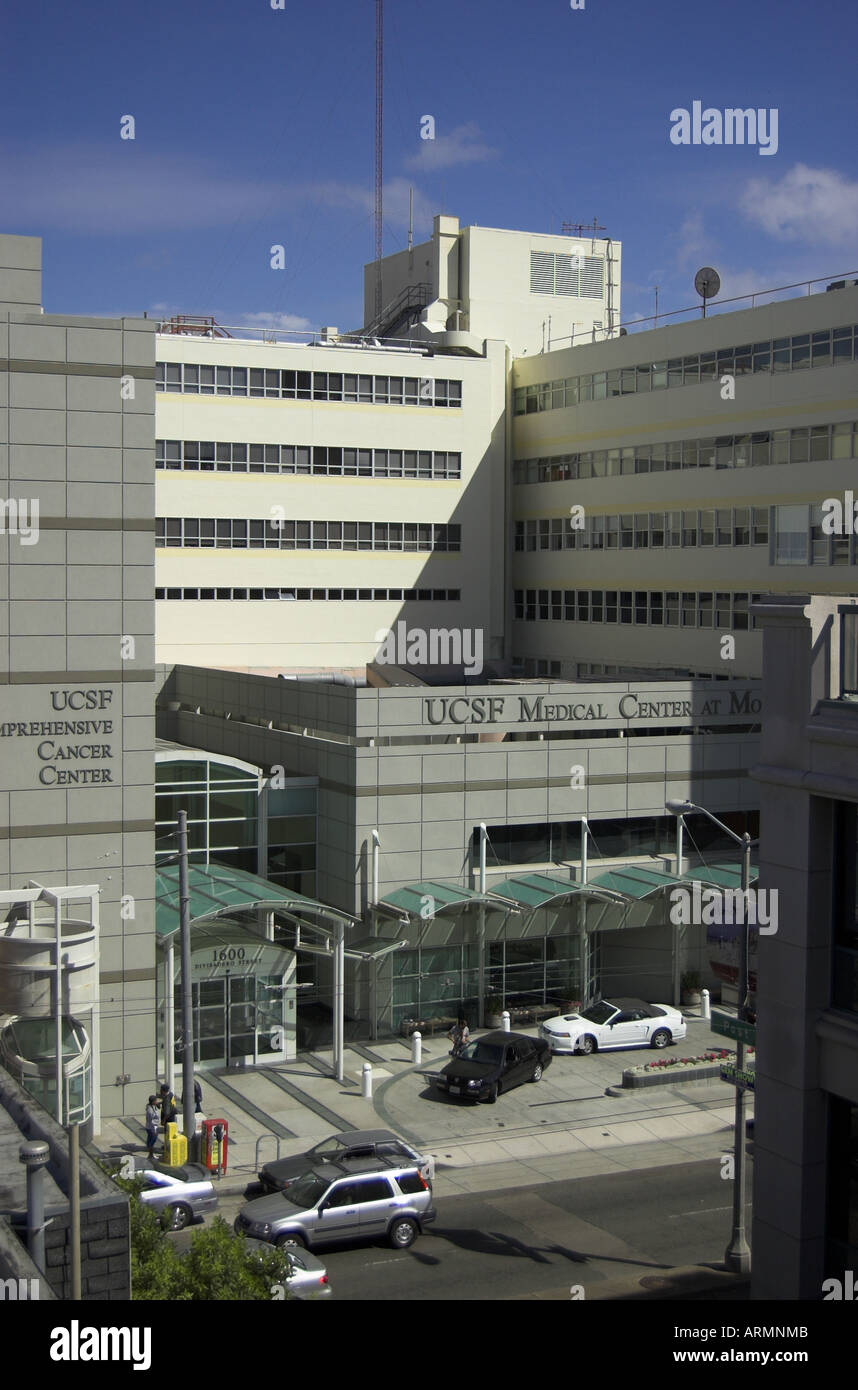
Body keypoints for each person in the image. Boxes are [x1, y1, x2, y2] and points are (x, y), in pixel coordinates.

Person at [145, 1095, 160, 1160]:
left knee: (150, 1140)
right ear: (153, 1101)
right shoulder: (150, 1110)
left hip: (152, 1126)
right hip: (152, 1127)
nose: (157, 1101)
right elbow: (152, 1118)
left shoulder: (152, 1106)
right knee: (152, 1141)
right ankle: (150, 1155)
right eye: (156, 1100)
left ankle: (150, 1154)